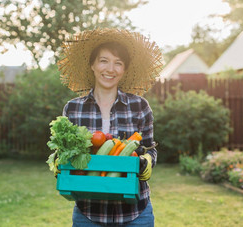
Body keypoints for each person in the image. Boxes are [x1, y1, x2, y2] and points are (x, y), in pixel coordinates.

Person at [57, 28, 163, 226]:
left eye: (118, 63)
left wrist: (148, 160)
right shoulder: (73, 108)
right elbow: (62, 151)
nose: (110, 69)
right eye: (104, 60)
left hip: (135, 212)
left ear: (124, 70)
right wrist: (58, 161)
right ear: (92, 64)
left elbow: (149, 148)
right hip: (88, 212)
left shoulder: (140, 106)